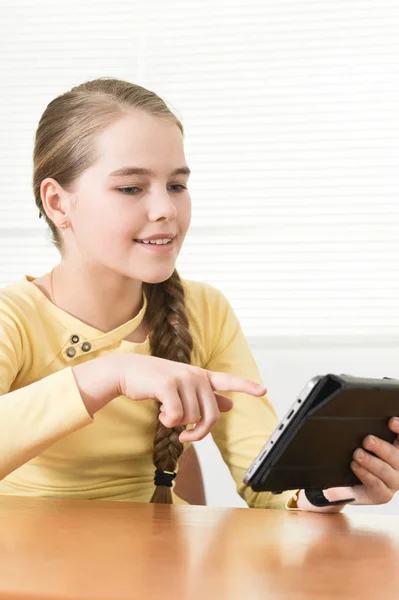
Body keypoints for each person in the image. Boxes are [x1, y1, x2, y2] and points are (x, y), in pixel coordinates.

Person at [0, 77, 398, 512]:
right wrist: (110, 374)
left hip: (159, 566)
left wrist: (327, 490)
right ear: (58, 203)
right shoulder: (14, 319)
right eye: (131, 188)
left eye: (176, 185)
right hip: (28, 566)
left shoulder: (204, 310)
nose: (166, 210)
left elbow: (267, 485)